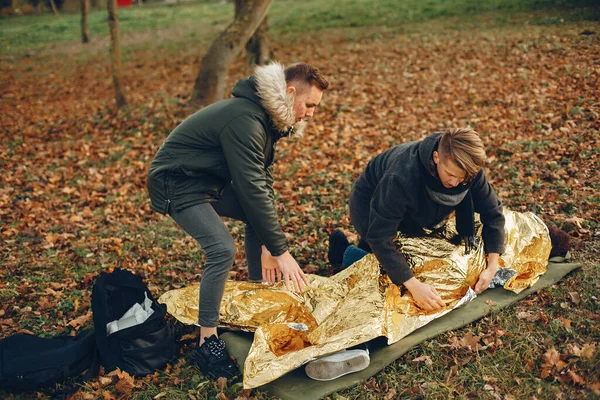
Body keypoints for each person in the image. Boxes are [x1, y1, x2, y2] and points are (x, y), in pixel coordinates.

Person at [147, 62, 329, 379]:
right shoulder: (246, 120)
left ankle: (261, 293)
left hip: (206, 180)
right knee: (221, 249)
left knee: (257, 215)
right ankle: (207, 340)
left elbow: (262, 185)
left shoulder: (267, 120)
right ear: (289, 93)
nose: (312, 114)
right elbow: (251, 188)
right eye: (309, 105)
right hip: (176, 182)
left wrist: (271, 247)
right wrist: (281, 251)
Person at [328, 128, 506, 312]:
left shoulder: (469, 170)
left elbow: (493, 213)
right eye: (450, 175)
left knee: (417, 259)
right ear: (436, 157)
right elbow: (380, 236)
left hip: (413, 209)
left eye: (462, 179)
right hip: (371, 203)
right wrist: (413, 286)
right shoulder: (402, 175)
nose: (455, 183)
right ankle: (341, 250)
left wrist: (492, 266)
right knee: (383, 275)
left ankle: (365, 250)